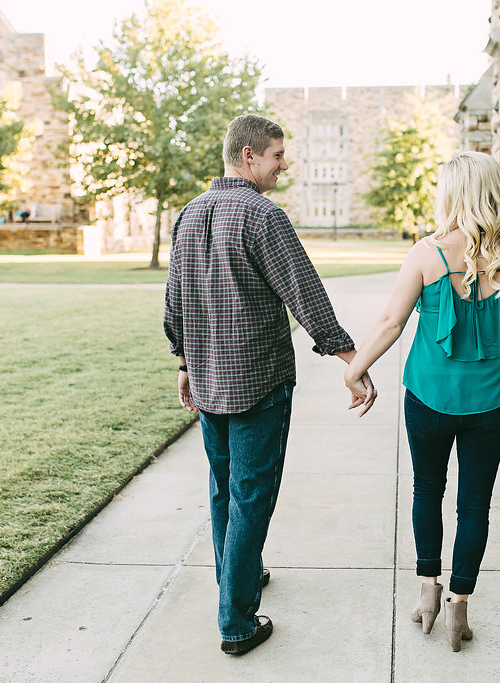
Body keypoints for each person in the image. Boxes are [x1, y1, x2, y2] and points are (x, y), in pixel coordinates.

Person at [163, 113, 375, 655]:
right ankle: (236, 622)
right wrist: (353, 361)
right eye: (278, 155)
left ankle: (239, 575)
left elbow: (175, 305)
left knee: (222, 487)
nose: (285, 165)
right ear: (250, 156)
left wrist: (184, 363)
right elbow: (305, 293)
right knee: (250, 495)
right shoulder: (263, 216)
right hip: (257, 381)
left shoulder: (188, 215)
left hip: (209, 379)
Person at [344, 151, 500, 652]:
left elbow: (391, 322)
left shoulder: (426, 254)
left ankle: (427, 594)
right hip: (493, 403)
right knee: (475, 505)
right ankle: (459, 607)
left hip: (428, 401)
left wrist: (355, 366)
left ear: (452, 194)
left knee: (427, 493)